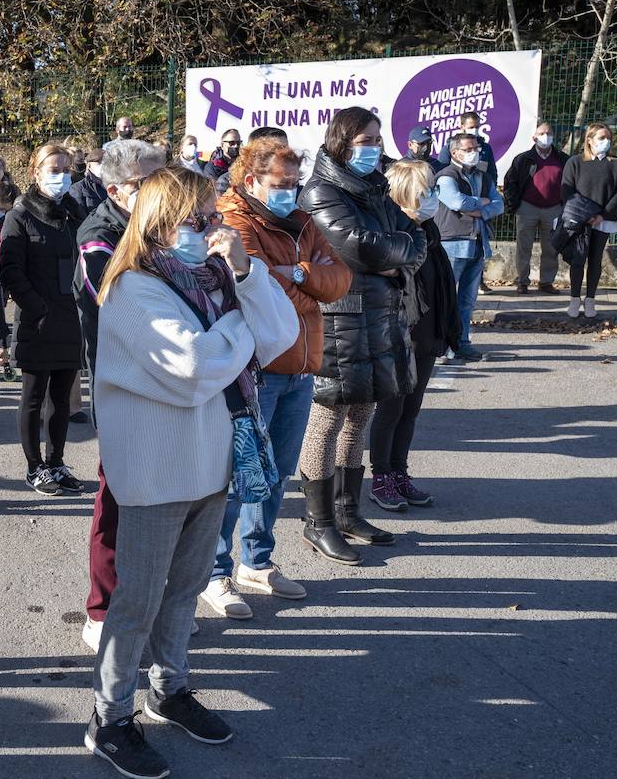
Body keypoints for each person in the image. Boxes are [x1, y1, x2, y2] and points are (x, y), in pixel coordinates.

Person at [87, 167, 296, 778]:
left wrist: (248, 275)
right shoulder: (133, 289)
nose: (211, 230)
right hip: (155, 468)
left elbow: (279, 334)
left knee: (183, 593)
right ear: (158, 221)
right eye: (197, 219)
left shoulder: (213, 279)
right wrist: (242, 332)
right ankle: (109, 715)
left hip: (210, 462)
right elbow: (192, 366)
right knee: (139, 600)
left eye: (213, 217)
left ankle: (169, 688)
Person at [204, 137, 352, 618]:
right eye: (281, 183)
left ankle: (258, 561)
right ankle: (214, 571)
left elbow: (340, 280)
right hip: (255, 371)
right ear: (251, 180)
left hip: (301, 367)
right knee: (237, 474)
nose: (291, 191)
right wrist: (306, 282)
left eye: (295, 182)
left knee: (276, 473)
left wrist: (297, 274)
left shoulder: (303, 220)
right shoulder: (231, 218)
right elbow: (258, 295)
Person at [298, 106, 427, 564]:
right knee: (327, 420)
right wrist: (392, 253)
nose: (375, 148)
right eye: (367, 140)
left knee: (359, 418)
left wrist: (396, 254)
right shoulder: (319, 190)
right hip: (337, 318)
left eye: (376, 139)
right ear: (343, 140)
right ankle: (319, 522)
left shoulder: (375, 189)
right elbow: (356, 244)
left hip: (377, 314)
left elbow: (415, 235)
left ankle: (349, 511)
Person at [74, 138, 163, 651]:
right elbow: (122, 306)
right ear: (117, 189)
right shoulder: (98, 236)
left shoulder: (165, 228)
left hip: (170, 386)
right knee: (117, 498)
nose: (162, 191)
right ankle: (102, 608)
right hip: (122, 384)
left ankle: (152, 602)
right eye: (150, 183)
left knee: (162, 501)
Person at [368, 158, 459, 510]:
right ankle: (381, 477)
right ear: (407, 193)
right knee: (390, 411)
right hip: (397, 337)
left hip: (427, 335)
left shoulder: (429, 230)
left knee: (411, 411)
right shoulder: (394, 235)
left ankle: (400, 473)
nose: (434, 196)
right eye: (428, 190)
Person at [0, 143, 88, 496]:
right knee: (34, 396)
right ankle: (34, 466)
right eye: (53, 170)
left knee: (62, 398)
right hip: (37, 321)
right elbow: (11, 270)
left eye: (65, 170)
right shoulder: (19, 215)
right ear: (35, 173)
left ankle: (56, 462)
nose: (61, 177)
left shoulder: (74, 213)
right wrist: (37, 307)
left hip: (71, 319)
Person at [435, 132, 503, 361]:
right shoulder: (446, 176)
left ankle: (462, 343)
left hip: (478, 243)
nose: (474, 152)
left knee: (467, 300)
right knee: (447, 299)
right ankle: (443, 346)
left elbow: (498, 205)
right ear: (455, 152)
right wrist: (481, 204)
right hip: (453, 243)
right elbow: (455, 202)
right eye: (468, 149)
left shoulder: (483, 177)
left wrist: (478, 209)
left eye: (476, 148)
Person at [561, 123, 617, 319]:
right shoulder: (575, 162)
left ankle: (590, 299)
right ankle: (574, 299)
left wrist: (602, 215)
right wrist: (582, 215)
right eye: (601, 138)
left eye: (608, 138)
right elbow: (567, 190)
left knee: (595, 259)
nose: (605, 142)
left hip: (602, 220)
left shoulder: (616, 164)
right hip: (579, 219)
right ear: (589, 140)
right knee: (577, 259)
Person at [504, 122, 566, 295]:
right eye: (541, 133)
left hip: (554, 208)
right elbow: (511, 182)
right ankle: (522, 281)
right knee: (524, 247)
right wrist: (513, 204)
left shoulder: (563, 158)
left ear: (553, 136)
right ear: (534, 138)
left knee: (551, 247)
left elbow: (571, 183)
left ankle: (546, 282)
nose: (545, 136)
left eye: (548, 133)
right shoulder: (523, 159)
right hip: (527, 208)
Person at [69, 146, 109, 213]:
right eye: (99, 162)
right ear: (89, 166)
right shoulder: (78, 188)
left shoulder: (119, 185)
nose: (103, 165)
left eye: (106, 162)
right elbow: (79, 215)